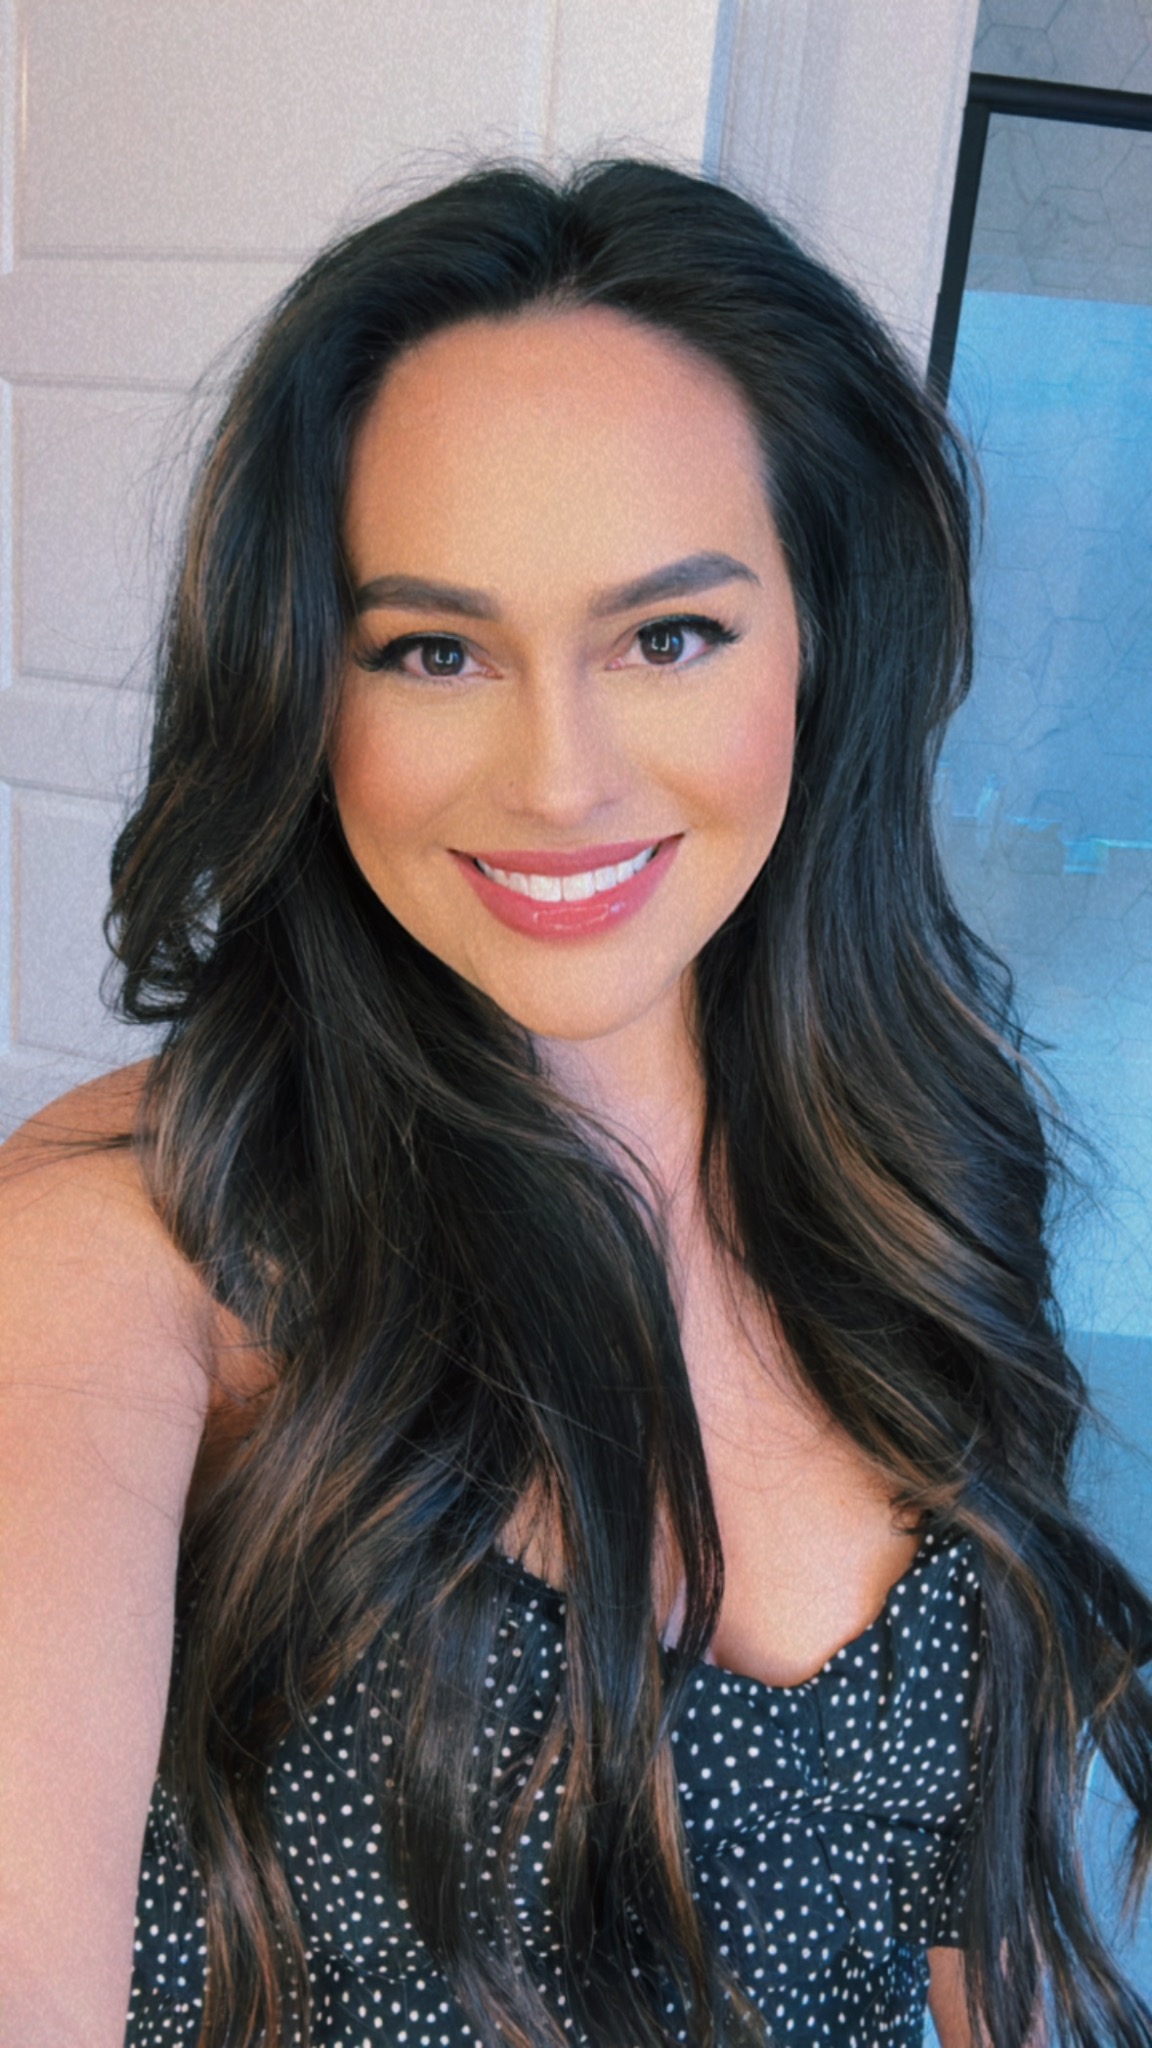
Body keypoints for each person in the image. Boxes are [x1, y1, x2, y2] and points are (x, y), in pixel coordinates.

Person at [1, 156, 1150, 2048]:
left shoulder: (912, 1166)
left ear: (824, 639)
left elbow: (967, 1923)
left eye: (669, 635)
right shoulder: (137, 1238)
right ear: (307, 683)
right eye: (434, 650)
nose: (557, 777)